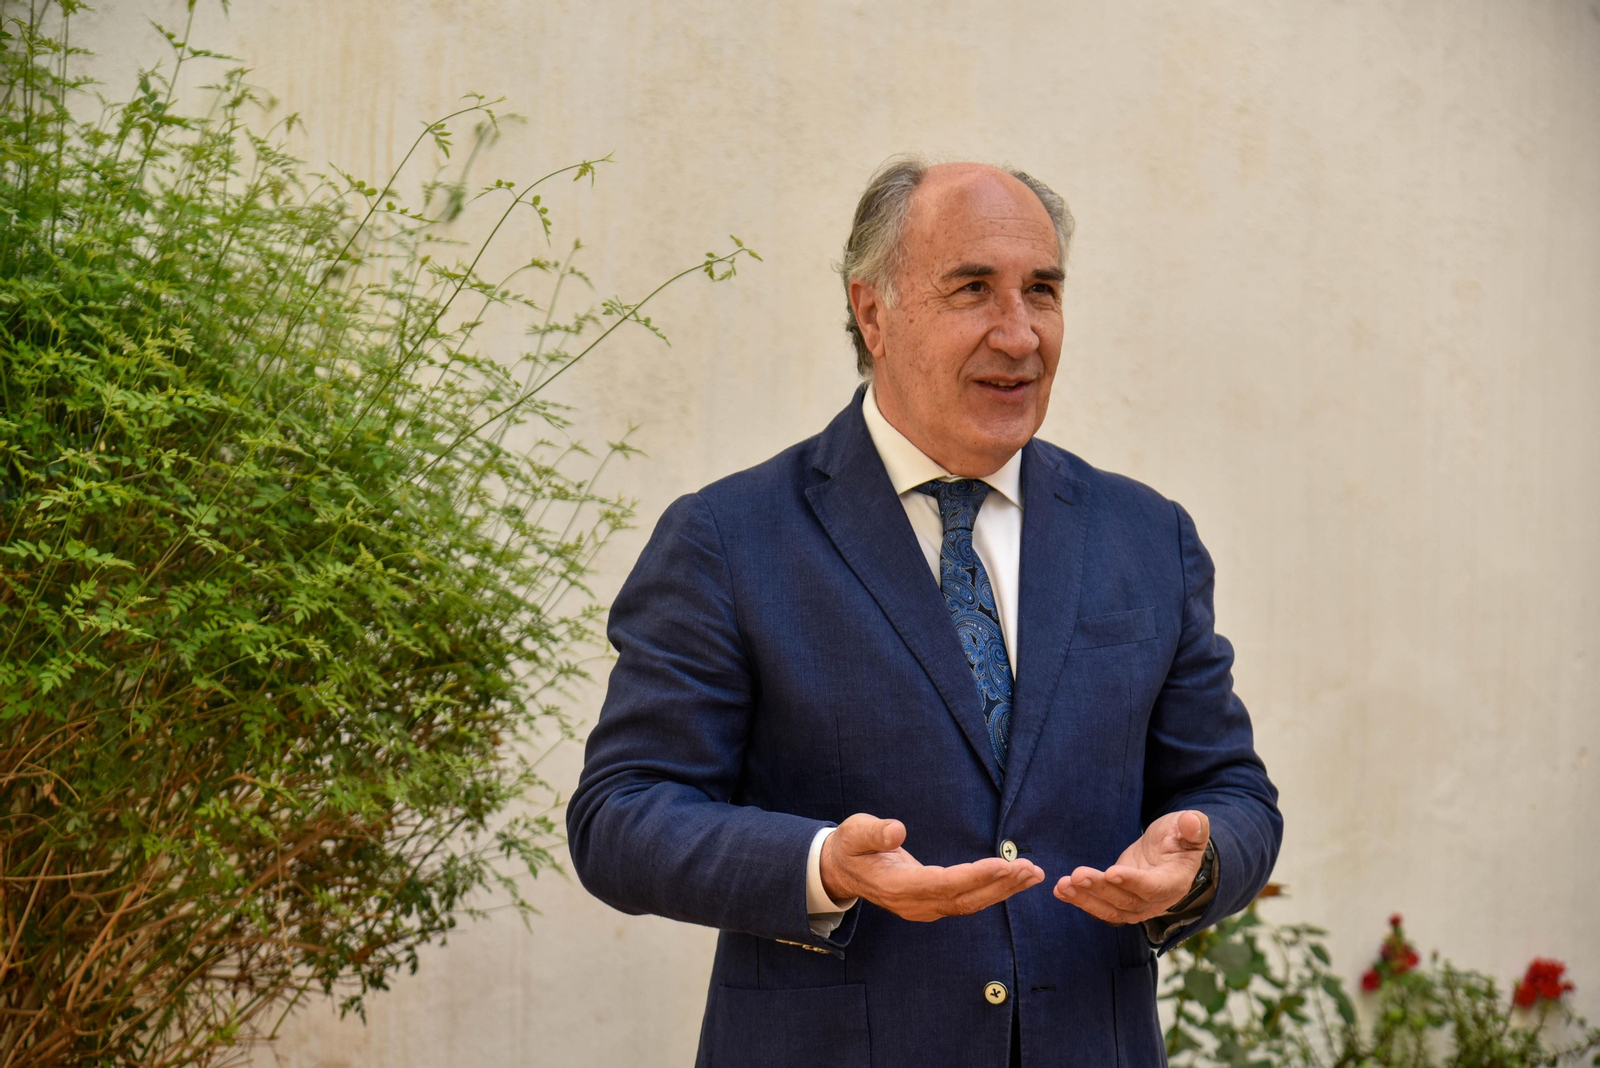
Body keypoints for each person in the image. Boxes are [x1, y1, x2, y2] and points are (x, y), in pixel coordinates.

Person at [567, 157, 1282, 1067]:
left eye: (1044, 291)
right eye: (973, 289)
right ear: (873, 311)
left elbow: (1233, 792)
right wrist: (821, 864)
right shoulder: (727, 538)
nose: (1019, 335)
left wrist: (1202, 856)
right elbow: (621, 817)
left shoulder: (1148, 537)